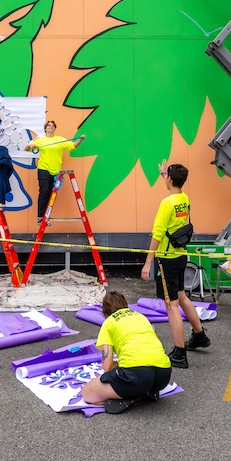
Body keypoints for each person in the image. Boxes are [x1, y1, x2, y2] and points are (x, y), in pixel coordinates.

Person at [140, 163, 209, 369]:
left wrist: (148, 262)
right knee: (181, 296)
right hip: (180, 255)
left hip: (167, 258)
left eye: (166, 177)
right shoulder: (184, 199)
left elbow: (157, 234)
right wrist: (164, 173)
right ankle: (199, 335)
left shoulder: (166, 203)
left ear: (170, 180)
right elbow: (173, 186)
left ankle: (179, 353)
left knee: (172, 305)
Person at [80, 290, 172, 414]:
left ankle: (131, 395)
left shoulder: (109, 323)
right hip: (163, 375)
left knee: (87, 393)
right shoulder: (140, 316)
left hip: (136, 375)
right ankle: (145, 391)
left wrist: (115, 365)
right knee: (143, 379)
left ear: (105, 312)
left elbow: (106, 366)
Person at [24, 120, 85, 222]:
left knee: (51, 194)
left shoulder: (60, 140)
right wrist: (31, 146)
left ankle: (45, 217)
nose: (50, 127)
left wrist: (81, 139)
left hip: (56, 171)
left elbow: (73, 146)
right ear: (45, 128)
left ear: (55, 129)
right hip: (43, 168)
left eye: (52, 126)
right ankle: (40, 217)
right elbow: (26, 149)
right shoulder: (40, 140)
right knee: (44, 192)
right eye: (48, 125)